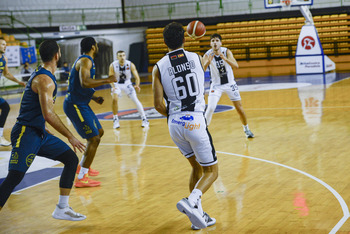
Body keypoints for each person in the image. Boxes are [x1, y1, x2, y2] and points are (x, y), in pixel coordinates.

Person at [0, 40, 87, 221]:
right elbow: (48, 113)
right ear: (57, 55)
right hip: (26, 133)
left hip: (39, 132)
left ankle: (62, 208)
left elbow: (36, 108)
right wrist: (70, 136)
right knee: (14, 177)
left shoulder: (43, 75)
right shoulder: (45, 80)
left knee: (71, 159)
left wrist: (44, 127)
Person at [152, 22, 218, 230]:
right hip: (196, 121)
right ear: (184, 39)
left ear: (164, 42)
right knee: (212, 172)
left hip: (175, 125)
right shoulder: (197, 58)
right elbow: (197, 73)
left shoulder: (158, 67)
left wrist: (173, 115)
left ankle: (196, 216)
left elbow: (157, 105)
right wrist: (205, 63)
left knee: (197, 168)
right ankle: (192, 201)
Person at [63, 37, 117, 187]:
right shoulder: (86, 60)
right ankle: (82, 178)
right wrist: (108, 80)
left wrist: (93, 97)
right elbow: (85, 82)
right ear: (93, 47)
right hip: (75, 105)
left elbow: (78, 86)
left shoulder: (84, 60)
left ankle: (82, 166)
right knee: (94, 139)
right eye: (97, 46)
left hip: (82, 103)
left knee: (98, 132)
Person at [203, 33, 254, 138]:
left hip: (230, 84)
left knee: (239, 108)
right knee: (211, 107)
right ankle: (202, 132)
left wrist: (225, 59)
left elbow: (236, 66)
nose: (215, 43)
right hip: (216, 86)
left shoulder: (226, 51)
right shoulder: (207, 55)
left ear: (220, 43)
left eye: (217, 40)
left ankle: (246, 129)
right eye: (213, 41)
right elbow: (202, 70)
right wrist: (207, 63)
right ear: (210, 44)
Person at [108, 50, 149, 129]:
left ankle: (144, 119)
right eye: (120, 56)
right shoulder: (113, 65)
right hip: (117, 84)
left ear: (125, 56)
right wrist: (113, 86)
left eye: (123, 55)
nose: (122, 57)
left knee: (135, 100)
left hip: (127, 83)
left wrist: (137, 85)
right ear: (117, 57)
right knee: (114, 99)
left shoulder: (130, 64)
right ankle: (115, 119)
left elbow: (137, 77)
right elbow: (110, 78)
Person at [0, 37, 26, 146]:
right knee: (5, 107)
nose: (5, 46)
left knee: (5, 107)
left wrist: (19, 82)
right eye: (2, 44)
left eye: (6, 44)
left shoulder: (3, 58)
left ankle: (0, 136)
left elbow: (6, 74)